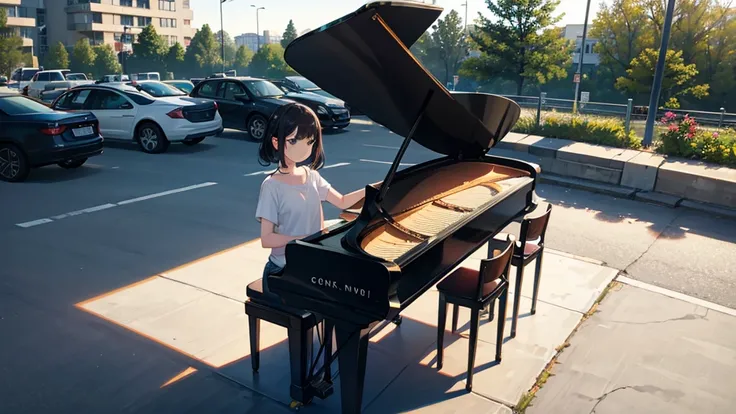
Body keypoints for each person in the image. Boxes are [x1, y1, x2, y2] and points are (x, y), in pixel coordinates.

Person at [255, 103, 365, 293]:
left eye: (309, 141)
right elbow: (267, 239)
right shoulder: (271, 186)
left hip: (311, 264)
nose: (304, 149)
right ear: (276, 142)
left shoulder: (311, 175)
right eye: (294, 141)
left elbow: (342, 201)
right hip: (283, 269)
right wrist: (304, 239)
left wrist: (371, 190)